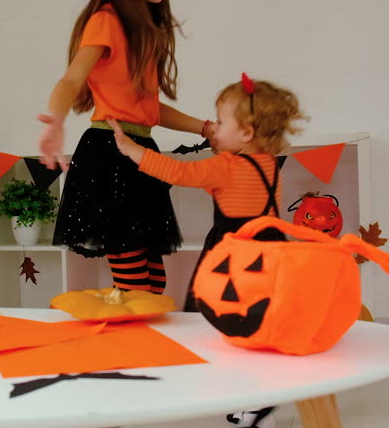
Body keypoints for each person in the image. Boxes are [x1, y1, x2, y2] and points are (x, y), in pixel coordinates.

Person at [109, 73, 308, 428]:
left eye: (219, 121)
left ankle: (248, 400)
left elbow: (176, 172)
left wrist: (131, 149)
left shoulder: (226, 166)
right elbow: (241, 198)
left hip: (232, 259)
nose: (213, 128)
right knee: (253, 328)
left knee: (209, 323)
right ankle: (253, 401)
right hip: (270, 256)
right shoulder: (268, 165)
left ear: (245, 133)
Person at [37, 0, 212, 295]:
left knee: (154, 281)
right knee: (134, 281)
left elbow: (148, 110)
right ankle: (128, 346)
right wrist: (56, 121)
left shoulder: (144, 33)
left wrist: (206, 129)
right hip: (109, 153)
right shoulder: (106, 19)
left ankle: (138, 342)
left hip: (140, 151)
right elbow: (72, 80)